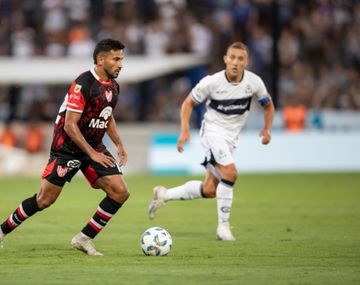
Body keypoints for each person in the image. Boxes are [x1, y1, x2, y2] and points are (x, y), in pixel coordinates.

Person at [0, 39, 130, 256]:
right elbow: (70, 125)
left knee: (120, 192)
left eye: (122, 59)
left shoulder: (113, 86)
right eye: (116, 59)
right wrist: (92, 154)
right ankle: (2, 230)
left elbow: (106, 116)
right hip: (67, 148)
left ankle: (83, 238)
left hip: (93, 146)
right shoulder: (83, 83)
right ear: (101, 59)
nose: (121, 64)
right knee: (44, 199)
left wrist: (118, 144)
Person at [148, 42, 275, 241]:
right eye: (231, 57)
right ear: (225, 59)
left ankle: (163, 194)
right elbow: (188, 103)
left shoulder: (254, 82)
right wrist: (184, 131)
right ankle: (223, 228)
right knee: (231, 173)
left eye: (240, 59)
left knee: (209, 190)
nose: (235, 62)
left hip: (231, 138)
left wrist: (267, 129)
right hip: (212, 133)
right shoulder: (211, 82)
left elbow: (268, 106)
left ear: (246, 62)